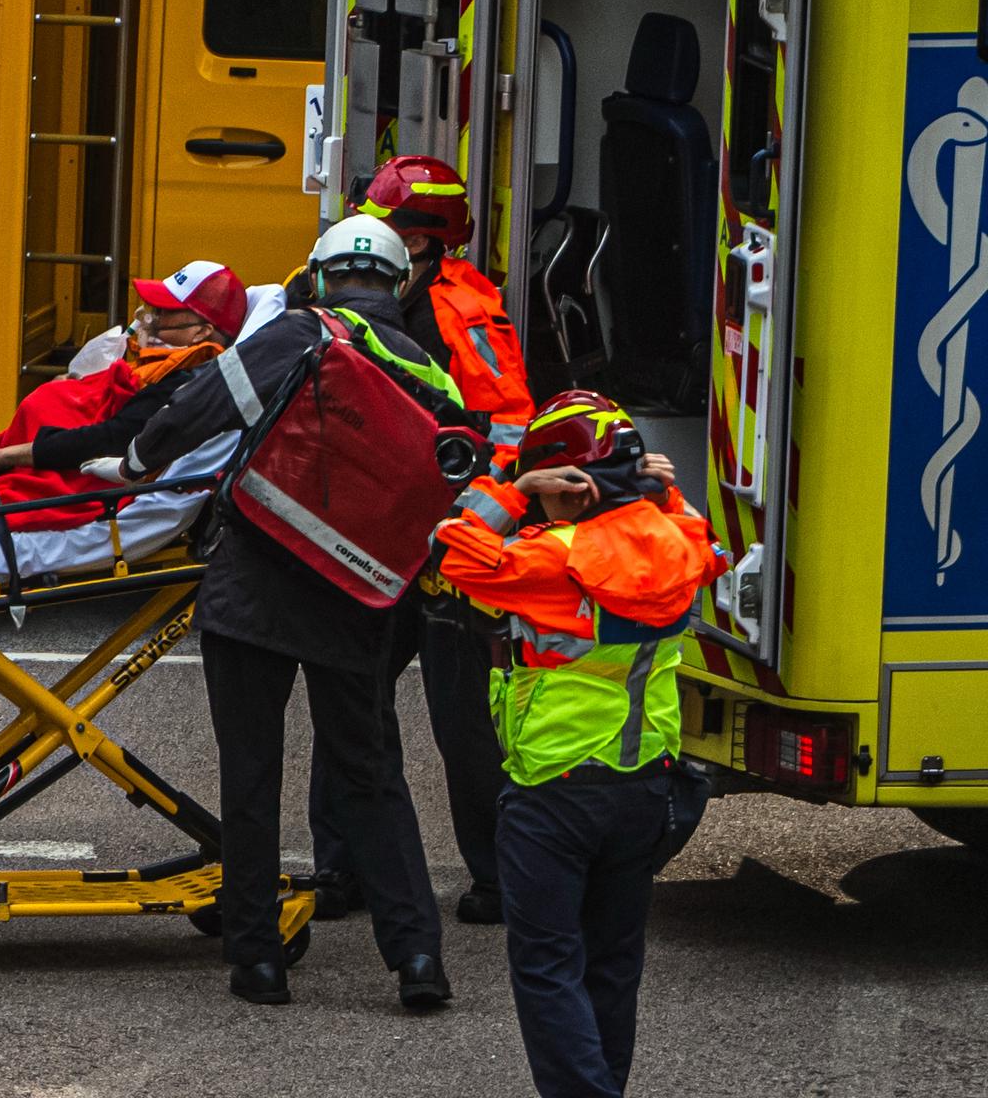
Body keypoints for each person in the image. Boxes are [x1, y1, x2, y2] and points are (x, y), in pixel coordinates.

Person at [94, 216, 461, 1010]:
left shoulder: (301, 331)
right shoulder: (436, 375)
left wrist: (133, 461)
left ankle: (258, 959)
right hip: (357, 597)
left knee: (251, 777)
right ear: (400, 284)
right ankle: (417, 958)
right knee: (369, 776)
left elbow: (206, 407)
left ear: (320, 274)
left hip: (256, 580)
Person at [430, 391, 727, 1097]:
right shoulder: (676, 542)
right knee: (613, 967)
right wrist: (670, 490)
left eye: (550, 488)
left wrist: (508, 487)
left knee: (546, 966)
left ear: (573, 485)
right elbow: (710, 549)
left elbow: (451, 550)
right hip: (645, 787)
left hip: (554, 793)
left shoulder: (550, 559)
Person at [311, 156, 533, 925]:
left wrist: (464, 531)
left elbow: (508, 434)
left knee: (462, 719)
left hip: (446, 550)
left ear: (423, 243)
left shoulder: (463, 314)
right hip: (381, 536)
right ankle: (342, 868)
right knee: (351, 700)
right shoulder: (358, 291)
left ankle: (500, 878)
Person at [0, 259, 250, 483]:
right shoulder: (165, 369)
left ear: (200, 333)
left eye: (163, 311)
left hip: (62, 482)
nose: (148, 316)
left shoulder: (184, 384)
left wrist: (0, 456)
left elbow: (108, 438)